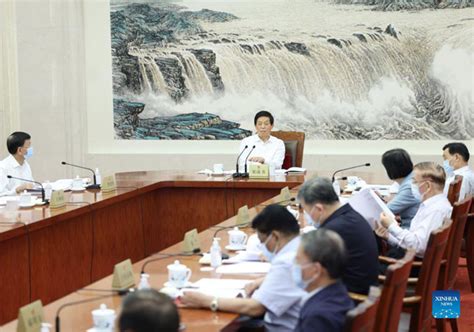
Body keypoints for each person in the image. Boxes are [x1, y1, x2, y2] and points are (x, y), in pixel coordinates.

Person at [181, 204, 305, 331]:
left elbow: (255, 308)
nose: (262, 247)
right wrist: (264, 280)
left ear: (275, 236)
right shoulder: (302, 246)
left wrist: (206, 301)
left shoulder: (286, 262)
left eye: (262, 241)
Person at [297, 177, 379, 295]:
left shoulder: (334, 229)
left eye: (306, 210)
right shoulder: (349, 215)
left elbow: (311, 267)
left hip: (349, 297)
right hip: (362, 289)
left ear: (319, 208)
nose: (307, 215)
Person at [376, 162, 452, 259]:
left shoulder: (436, 210)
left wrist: (391, 226)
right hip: (408, 257)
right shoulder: (430, 204)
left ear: (428, 186)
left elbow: (418, 247)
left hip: (411, 264)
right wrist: (389, 237)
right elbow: (414, 240)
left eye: (415, 182)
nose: (412, 185)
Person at [293, 229, 354, 332]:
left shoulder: (318, 317)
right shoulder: (338, 291)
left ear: (316, 270)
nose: (294, 265)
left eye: (297, 260)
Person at [381, 149, 420, 228]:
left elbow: (386, 212)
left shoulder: (410, 186)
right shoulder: (412, 178)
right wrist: (382, 199)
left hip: (409, 229)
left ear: (391, 169)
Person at [0, 132, 34, 196]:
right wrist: (17, 190)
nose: (31, 149)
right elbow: (1, 195)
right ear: (20, 150)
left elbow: (32, 185)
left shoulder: (26, 165)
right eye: (29, 146)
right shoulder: (2, 167)